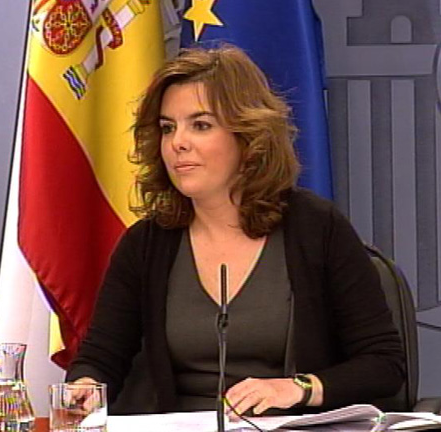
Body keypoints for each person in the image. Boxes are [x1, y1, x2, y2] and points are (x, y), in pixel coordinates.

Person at [66, 45, 405, 417]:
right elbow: (101, 357)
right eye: (167, 128)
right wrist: (85, 385)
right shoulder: (146, 243)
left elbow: (383, 364)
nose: (177, 143)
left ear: (248, 135)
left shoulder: (315, 228)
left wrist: (298, 388)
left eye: (200, 125)